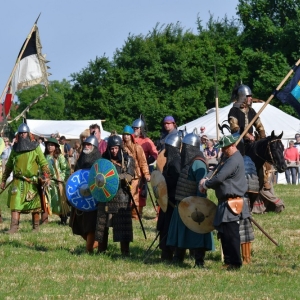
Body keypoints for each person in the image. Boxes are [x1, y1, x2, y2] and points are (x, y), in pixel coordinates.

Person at [200, 134, 249, 270]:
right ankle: (228, 261)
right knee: (224, 234)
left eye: (224, 148)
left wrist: (206, 185)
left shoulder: (234, 160)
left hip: (232, 201)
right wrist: (206, 178)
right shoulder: (227, 158)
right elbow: (216, 171)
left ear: (232, 146)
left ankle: (235, 263)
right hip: (225, 201)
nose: (222, 150)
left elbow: (220, 178)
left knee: (231, 234)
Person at [167, 129, 214, 268]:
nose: (182, 150)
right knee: (181, 232)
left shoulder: (198, 163)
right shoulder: (188, 162)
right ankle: (178, 256)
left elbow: (201, 186)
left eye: (185, 147)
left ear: (190, 148)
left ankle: (199, 261)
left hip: (194, 206)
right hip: (182, 203)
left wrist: (199, 205)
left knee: (196, 234)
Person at [0, 123, 50, 234]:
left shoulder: (35, 147)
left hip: (31, 181)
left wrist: (46, 176)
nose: (23, 135)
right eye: (21, 133)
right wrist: (3, 180)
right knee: (15, 203)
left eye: (24, 133)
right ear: (18, 134)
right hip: (18, 181)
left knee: (34, 205)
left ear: (28, 134)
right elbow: (8, 166)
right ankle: (14, 227)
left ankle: (35, 227)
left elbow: (43, 163)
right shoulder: (15, 148)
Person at [95, 135, 135, 256]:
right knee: (102, 224)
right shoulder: (104, 159)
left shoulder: (128, 160)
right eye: (112, 148)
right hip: (105, 195)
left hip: (121, 195)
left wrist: (115, 178)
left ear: (120, 147)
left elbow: (129, 175)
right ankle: (101, 250)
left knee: (123, 225)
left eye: (116, 148)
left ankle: (125, 251)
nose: (114, 151)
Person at [69, 135, 102, 253]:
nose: (86, 146)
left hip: (94, 198)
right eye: (85, 144)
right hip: (81, 195)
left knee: (90, 225)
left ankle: (89, 248)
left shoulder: (99, 161)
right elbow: (76, 175)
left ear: (94, 147)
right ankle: (93, 243)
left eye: (89, 145)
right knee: (78, 223)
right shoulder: (81, 158)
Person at [157, 132, 181, 261]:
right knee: (164, 227)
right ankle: (166, 254)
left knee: (169, 228)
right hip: (167, 201)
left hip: (172, 201)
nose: (165, 150)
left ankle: (168, 254)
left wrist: (164, 179)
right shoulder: (171, 161)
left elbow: (175, 180)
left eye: (167, 147)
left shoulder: (176, 162)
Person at [122, 125, 150, 220]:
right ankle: (126, 214)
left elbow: (143, 162)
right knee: (124, 196)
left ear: (131, 136)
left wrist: (146, 174)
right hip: (124, 175)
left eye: (128, 134)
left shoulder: (137, 147)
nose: (126, 136)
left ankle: (135, 216)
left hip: (135, 175)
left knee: (134, 196)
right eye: (124, 134)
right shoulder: (121, 148)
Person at [132, 116, 158, 217]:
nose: (135, 130)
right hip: (131, 169)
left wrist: (145, 162)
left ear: (141, 129)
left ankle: (138, 212)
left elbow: (155, 154)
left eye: (137, 128)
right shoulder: (129, 140)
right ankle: (130, 211)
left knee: (141, 191)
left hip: (142, 170)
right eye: (134, 128)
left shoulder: (147, 141)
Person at [42, 137, 71, 225]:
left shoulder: (60, 157)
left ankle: (63, 216)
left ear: (55, 147)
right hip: (47, 182)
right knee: (47, 201)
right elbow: (41, 169)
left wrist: (60, 178)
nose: (49, 147)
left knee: (59, 201)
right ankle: (44, 219)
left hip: (58, 183)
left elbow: (66, 170)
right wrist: (43, 178)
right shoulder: (44, 157)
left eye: (51, 145)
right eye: (48, 145)